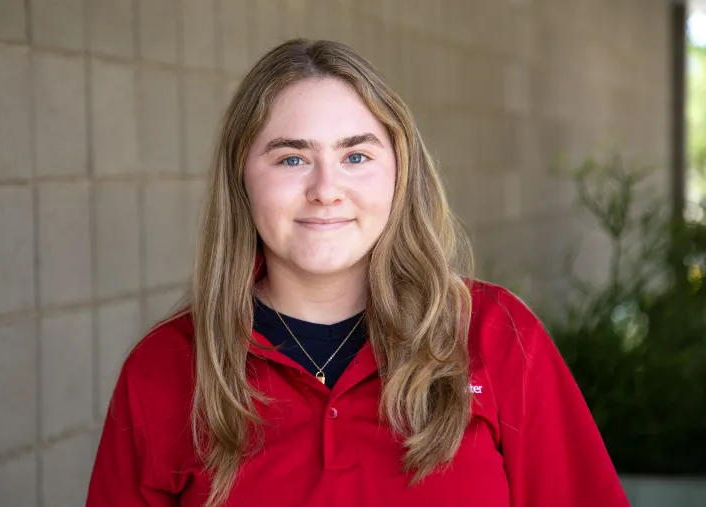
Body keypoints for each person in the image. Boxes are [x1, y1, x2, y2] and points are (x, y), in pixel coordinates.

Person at [86, 38, 629, 507]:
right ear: (241, 179)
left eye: (356, 156)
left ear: (398, 172)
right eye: (291, 158)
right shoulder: (164, 368)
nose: (326, 189)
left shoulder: (491, 333)